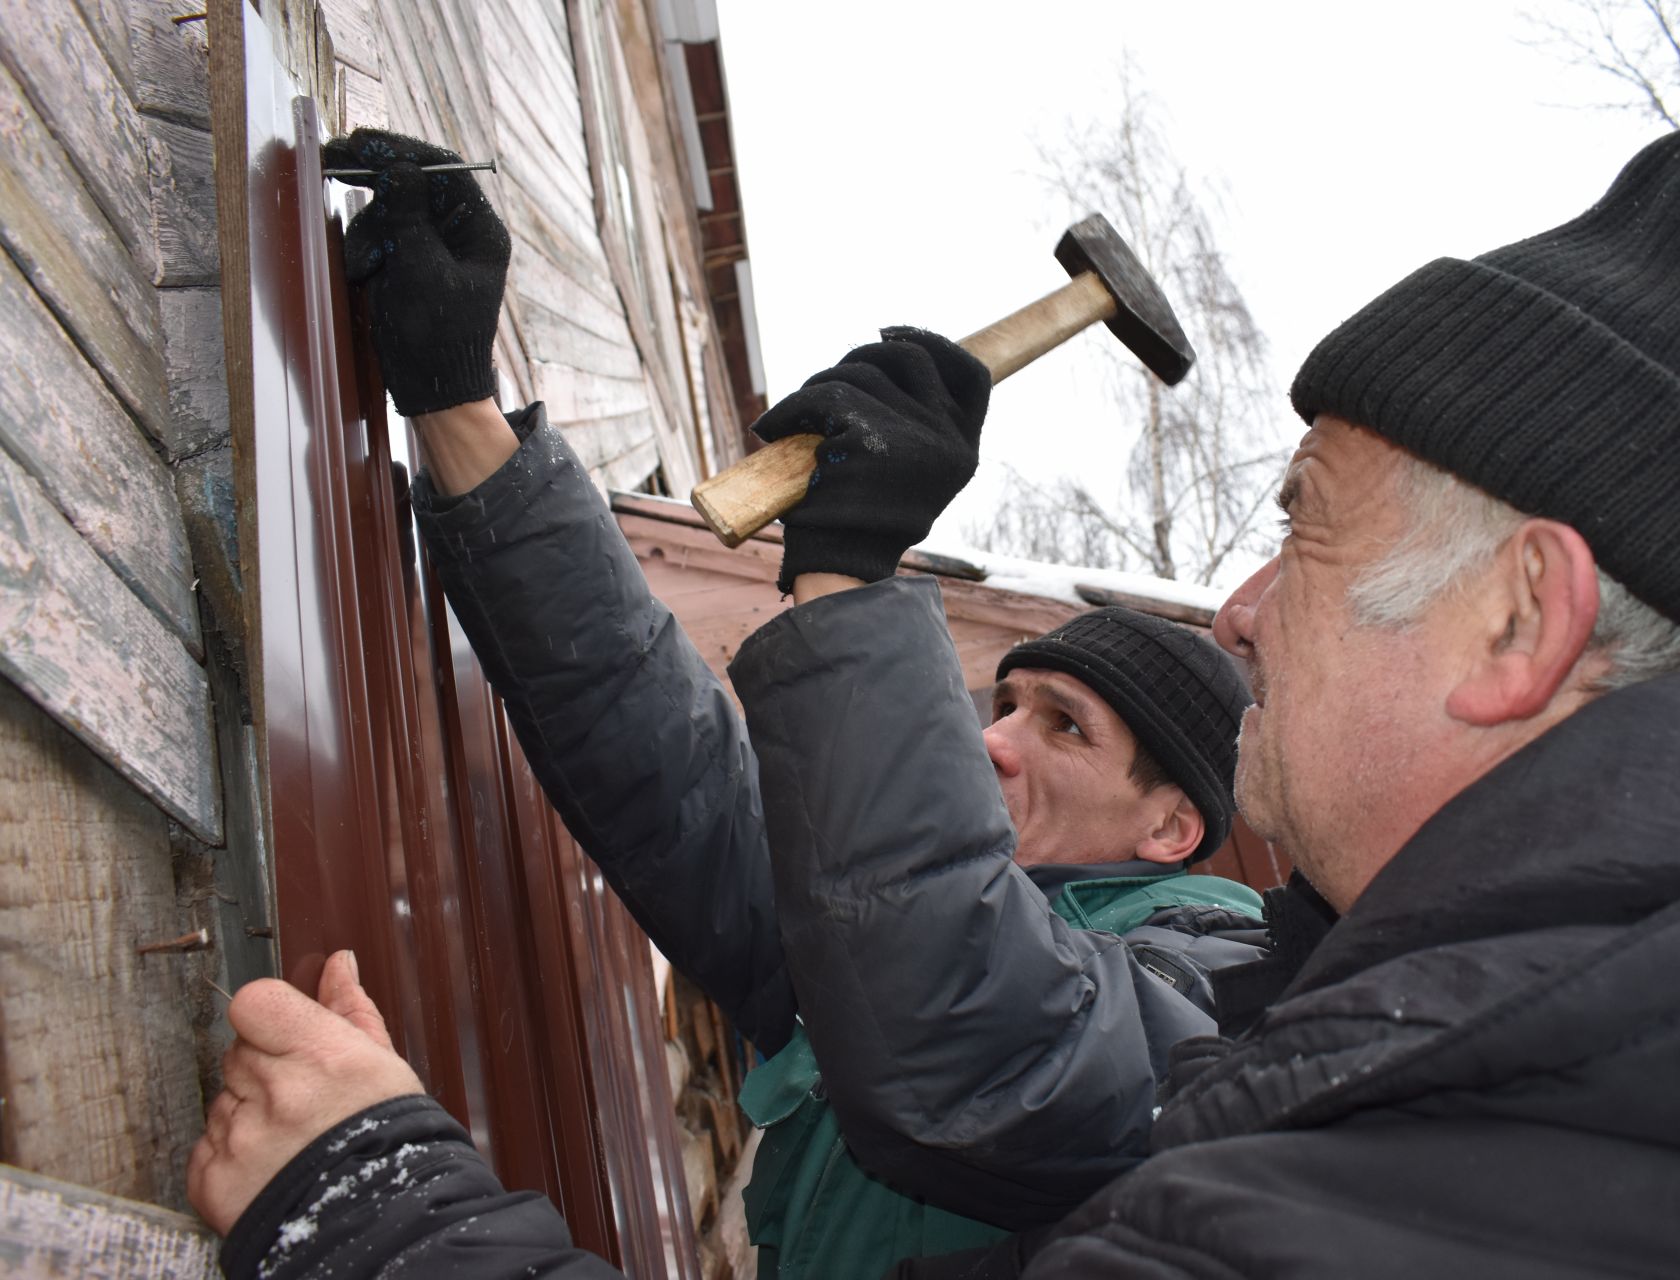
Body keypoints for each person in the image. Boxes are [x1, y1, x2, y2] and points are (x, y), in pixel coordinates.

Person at [185, 130, 1271, 1278]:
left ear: (1171, 830)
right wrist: (459, 404)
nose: (993, 742)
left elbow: (982, 1034)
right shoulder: (872, 934)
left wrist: (849, 566)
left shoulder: (1224, 993)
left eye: (1066, 727)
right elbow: (660, 747)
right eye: (1007, 701)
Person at [929, 118, 1680, 1276]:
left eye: (1305, 519)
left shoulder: (1319, 1217)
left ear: (1516, 620)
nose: (1239, 614)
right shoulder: (1479, 1085)